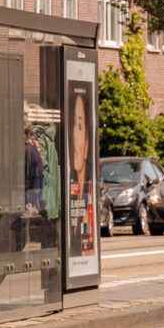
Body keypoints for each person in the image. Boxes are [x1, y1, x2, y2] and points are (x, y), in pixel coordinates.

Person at [68, 84, 95, 258]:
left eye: (80, 125)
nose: (75, 137)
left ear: (86, 143)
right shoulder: (68, 192)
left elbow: (88, 252)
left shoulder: (90, 195)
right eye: (73, 124)